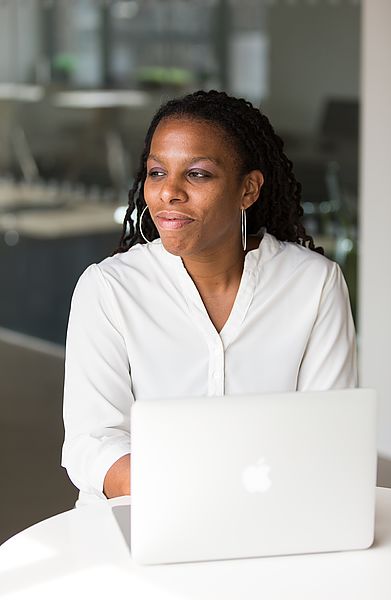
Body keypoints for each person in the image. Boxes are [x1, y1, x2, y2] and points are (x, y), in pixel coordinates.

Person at [61, 90, 357, 506]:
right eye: (157, 172)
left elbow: (330, 434)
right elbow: (91, 442)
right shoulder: (109, 289)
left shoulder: (313, 284)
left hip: (274, 520)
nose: (169, 193)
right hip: (141, 521)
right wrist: (187, 495)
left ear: (248, 189)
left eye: (197, 174)